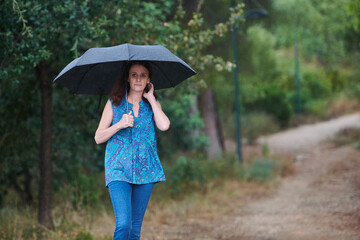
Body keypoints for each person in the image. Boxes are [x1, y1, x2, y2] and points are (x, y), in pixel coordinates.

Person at [94, 61, 170, 240]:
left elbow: (164, 125)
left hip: (146, 170)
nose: (138, 79)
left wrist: (151, 98)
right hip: (118, 169)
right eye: (134, 74)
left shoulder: (151, 104)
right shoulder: (114, 102)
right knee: (123, 225)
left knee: (134, 230)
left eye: (143, 75)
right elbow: (98, 137)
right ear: (128, 78)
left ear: (148, 80)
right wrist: (119, 124)